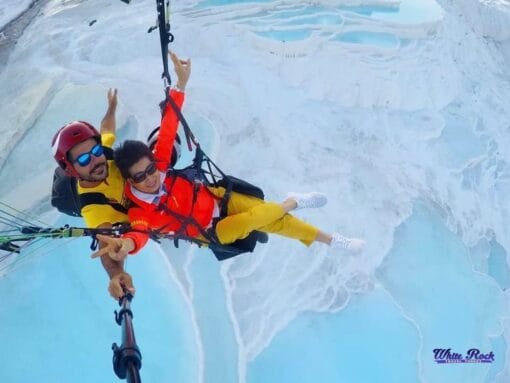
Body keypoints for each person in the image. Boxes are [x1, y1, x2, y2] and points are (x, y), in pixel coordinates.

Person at [92, 53, 366, 262]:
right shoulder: (140, 210)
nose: (151, 178)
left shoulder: (160, 165)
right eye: (140, 177)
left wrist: (181, 84)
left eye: (150, 169)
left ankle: (330, 240)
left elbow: (168, 128)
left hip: (217, 198)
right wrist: (126, 245)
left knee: (276, 223)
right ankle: (293, 201)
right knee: (253, 220)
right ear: (130, 181)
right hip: (211, 231)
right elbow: (139, 233)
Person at [51, 88, 134, 300]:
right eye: (84, 161)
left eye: (96, 152)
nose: (96, 161)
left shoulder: (105, 154)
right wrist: (116, 274)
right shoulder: (93, 205)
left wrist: (112, 107)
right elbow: (105, 243)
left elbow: (107, 129)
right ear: (71, 169)